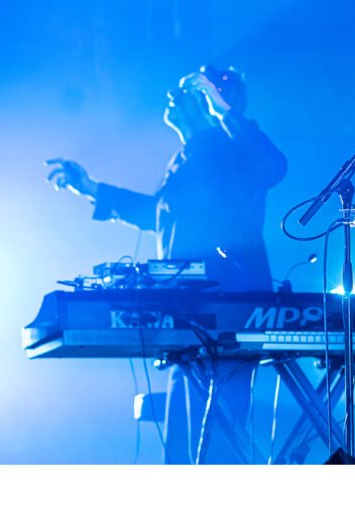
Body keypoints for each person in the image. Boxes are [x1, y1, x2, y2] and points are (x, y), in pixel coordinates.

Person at [46, 65, 288, 463]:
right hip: (186, 315)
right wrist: (91, 189)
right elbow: (158, 214)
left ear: (214, 99)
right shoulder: (188, 157)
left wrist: (222, 109)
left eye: (189, 90)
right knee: (181, 451)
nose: (173, 95)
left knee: (217, 450)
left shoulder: (234, 148)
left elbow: (273, 168)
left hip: (227, 312)